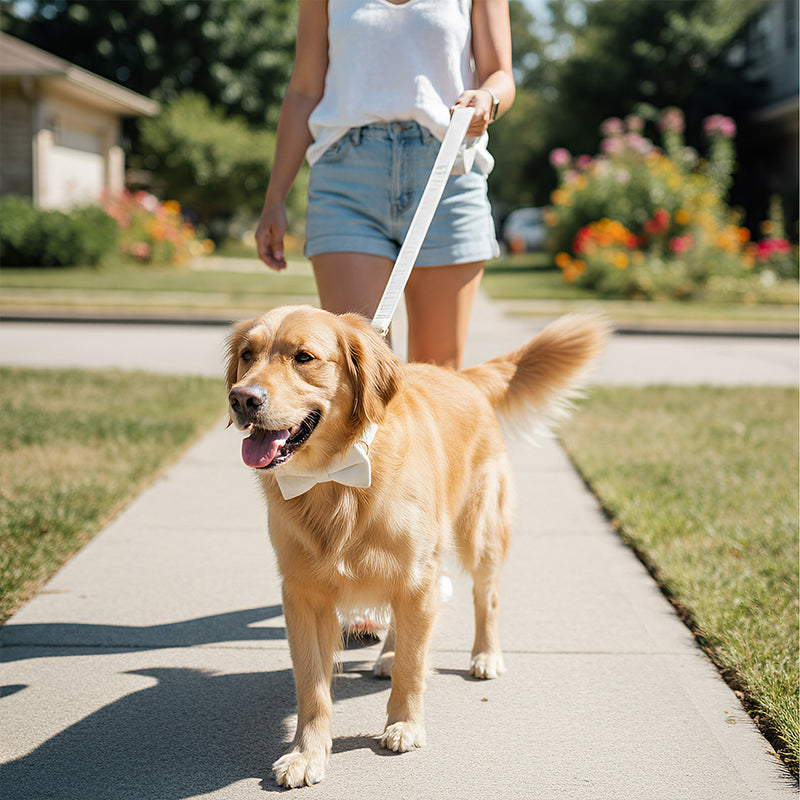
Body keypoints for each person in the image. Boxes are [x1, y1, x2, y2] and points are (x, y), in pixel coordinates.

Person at [255, 0, 515, 370]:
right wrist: (275, 197)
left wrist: (489, 97)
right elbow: (303, 90)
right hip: (347, 181)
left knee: (437, 375)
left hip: (446, 177)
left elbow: (501, 74)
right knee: (359, 373)